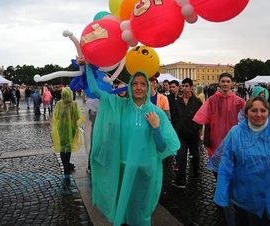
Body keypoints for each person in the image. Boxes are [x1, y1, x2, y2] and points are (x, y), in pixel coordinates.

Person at [83, 60, 180, 226]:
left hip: (145, 171)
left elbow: (164, 148)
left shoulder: (156, 112)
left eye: (143, 84)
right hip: (123, 168)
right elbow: (94, 90)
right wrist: (86, 65)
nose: (139, 87)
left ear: (148, 87)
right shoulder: (120, 106)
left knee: (142, 212)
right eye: (134, 83)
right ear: (129, 86)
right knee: (124, 209)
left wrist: (156, 128)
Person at [213, 97, 270, 226]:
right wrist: (221, 195)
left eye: (263, 110)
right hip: (245, 200)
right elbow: (226, 165)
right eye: (253, 110)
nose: (258, 115)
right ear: (246, 112)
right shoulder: (236, 133)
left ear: (268, 112)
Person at [193, 73, 245, 159]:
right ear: (219, 83)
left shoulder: (239, 101)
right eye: (223, 81)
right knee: (217, 166)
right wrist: (206, 137)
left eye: (228, 81)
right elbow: (205, 119)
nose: (225, 84)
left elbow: (245, 120)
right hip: (216, 137)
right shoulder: (212, 100)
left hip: (233, 137)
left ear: (232, 83)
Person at [173, 77, 202, 188]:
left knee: (195, 155)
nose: (184, 88)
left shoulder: (197, 101)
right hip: (181, 134)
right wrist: (177, 129)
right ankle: (180, 181)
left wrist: (197, 128)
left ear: (191, 87)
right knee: (181, 155)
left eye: (186, 86)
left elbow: (201, 117)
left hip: (193, 134)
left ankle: (195, 172)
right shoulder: (178, 102)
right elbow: (175, 117)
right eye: (183, 86)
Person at [51, 87, 84, 175]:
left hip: (61, 127)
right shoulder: (74, 104)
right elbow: (78, 116)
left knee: (62, 146)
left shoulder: (58, 104)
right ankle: (67, 163)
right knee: (69, 146)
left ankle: (65, 164)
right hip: (72, 127)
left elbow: (55, 116)